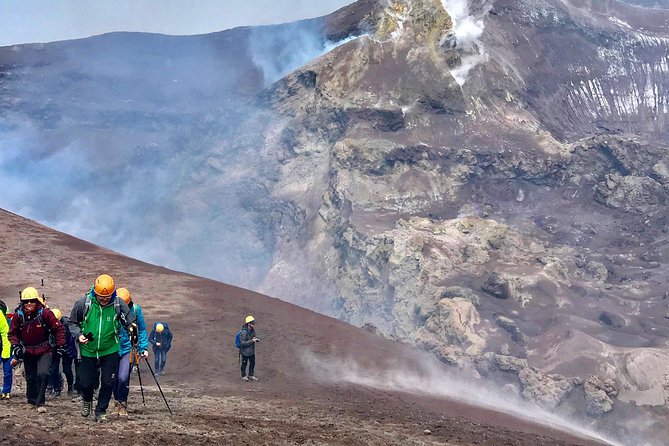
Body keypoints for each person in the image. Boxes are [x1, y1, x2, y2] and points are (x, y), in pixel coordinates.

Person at [68, 274, 135, 423]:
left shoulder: (118, 304)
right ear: (95, 292)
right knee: (85, 383)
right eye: (100, 296)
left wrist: (132, 329)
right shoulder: (83, 303)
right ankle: (87, 400)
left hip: (110, 348)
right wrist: (78, 335)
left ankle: (101, 411)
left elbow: (130, 321)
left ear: (113, 293)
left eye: (107, 296)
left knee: (108, 382)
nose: (104, 299)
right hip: (88, 349)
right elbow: (72, 323)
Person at [8, 287, 66, 412]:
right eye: (26, 301)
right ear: (23, 302)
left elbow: (59, 329)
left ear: (37, 301)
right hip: (28, 350)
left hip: (44, 348)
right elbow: (12, 333)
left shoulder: (45, 313)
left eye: (32, 301)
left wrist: (60, 346)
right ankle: (31, 400)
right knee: (30, 377)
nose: (29, 304)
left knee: (43, 373)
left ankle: (40, 402)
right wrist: (16, 346)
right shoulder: (19, 316)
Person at [112, 287, 148, 417]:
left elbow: (142, 329)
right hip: (113, 347)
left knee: (123, 377)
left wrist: (143, 348)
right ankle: (116, 402)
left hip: (129, 349)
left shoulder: (136, 311)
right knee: (113, 378)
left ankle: (122, 404)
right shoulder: (111, 309)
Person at [48, 309, 77, 397]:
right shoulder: (48, 325)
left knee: (67, 369)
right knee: (53, 369)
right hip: (55, 348)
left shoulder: (67, 325)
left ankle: (70, 386)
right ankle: (57, 388)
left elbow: (71, 339)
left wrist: (67, 349)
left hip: (66, 349)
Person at [239, 315, 260, 382]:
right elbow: (243, 343)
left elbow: (253, 337)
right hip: (245, 352)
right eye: (252, 323)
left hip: (251, 351)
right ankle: (243, 376)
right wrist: (252, 341)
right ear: (249, 324)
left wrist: (256, 339)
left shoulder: (253, 330)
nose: (254, 324)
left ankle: (251, 375)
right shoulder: (244, 332)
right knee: (244, 364)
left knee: (252, 363)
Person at [0, 300, 12, 399]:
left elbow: (5, 332)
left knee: (7, 371)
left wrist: (6, 350)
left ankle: (6, 390)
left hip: (6, 346)